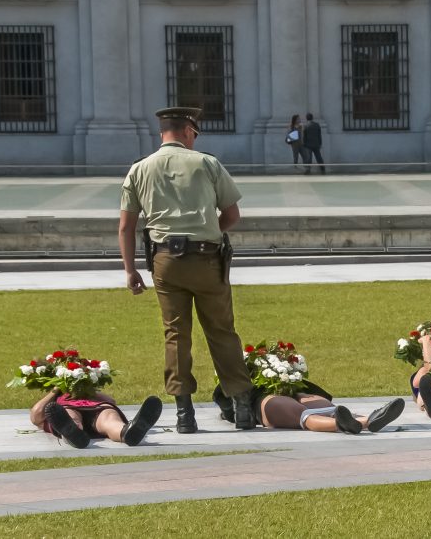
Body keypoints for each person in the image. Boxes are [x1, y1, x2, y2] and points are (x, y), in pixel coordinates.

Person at [119, 106, 256, 434]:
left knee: (176, 334)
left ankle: (184, 415)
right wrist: (210, 231)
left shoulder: (139, 169)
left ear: (162, 132)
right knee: (222, 331)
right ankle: (242, 409)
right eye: (194, 134)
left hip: (165, 261)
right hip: (207, 259)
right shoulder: (207, 163)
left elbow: (126, 227)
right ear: (187, 131)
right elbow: (233, 214)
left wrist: (130, 270)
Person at [213, 384, 404, 435]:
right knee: (305, 413)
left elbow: (227, 407)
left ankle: (353, 421)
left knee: (317, 409)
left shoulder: (230, 373)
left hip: (292, 389)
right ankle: (363, 420)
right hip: (263, 399)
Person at [31, 389, 162, 449]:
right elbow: (36, 414)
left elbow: (111, 401)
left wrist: (88, 388)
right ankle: (73, 432)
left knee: (109, 417)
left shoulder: (89, 391)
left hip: (95, 408)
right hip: (67, 408)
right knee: (70, 415)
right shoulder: (55, 400)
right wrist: (56, 389)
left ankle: (127, 432)